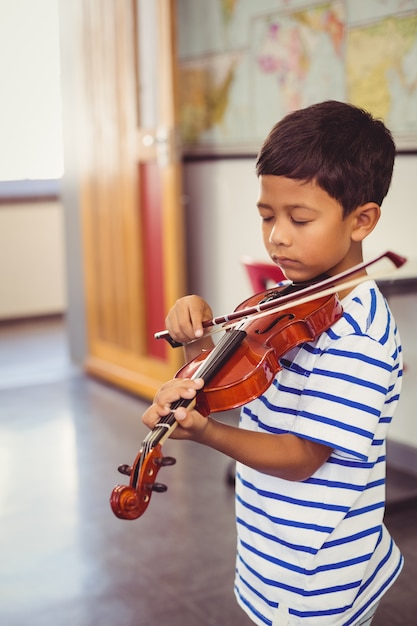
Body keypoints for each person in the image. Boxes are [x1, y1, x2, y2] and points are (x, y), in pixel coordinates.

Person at [142, 100, 403, 626]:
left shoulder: (359, 337)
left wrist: (207, 433)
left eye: (298, 218)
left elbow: (303, 456)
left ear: (363, 220)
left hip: (319, 566)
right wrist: (196, 347)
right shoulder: (288, 299)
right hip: (272, 537)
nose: (277, 236)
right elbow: (237, 382)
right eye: (266, 216)